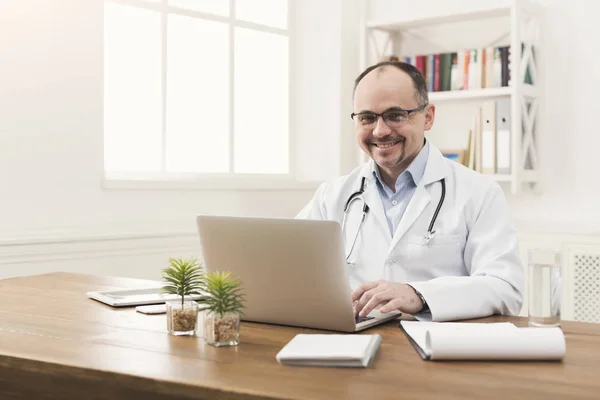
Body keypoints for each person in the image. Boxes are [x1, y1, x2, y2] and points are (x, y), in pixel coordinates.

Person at [296, 61, 524, 322]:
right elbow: (288, 264)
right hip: (354, 342)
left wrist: (420, 295)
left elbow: (506, 288)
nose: (380, 131)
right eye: (367, 118)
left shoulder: (480, 192)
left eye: (395, 115)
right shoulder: (333, 195)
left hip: (439, 347)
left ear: (427, 117)